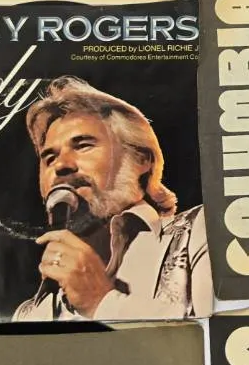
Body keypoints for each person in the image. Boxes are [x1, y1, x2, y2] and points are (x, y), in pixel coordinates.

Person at [13, 76, 210, 320]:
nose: (61, 165)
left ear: (140, 159)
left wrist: (99, 300)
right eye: (49, 158)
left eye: (83, 145)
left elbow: (221, 336)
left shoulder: (203, 231)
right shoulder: (29, 313)